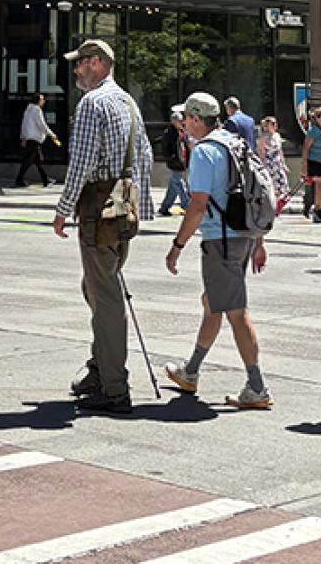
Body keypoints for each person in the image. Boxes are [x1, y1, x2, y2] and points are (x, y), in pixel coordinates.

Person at [54, 39, 154, 416]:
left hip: (100, 209)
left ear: (96, 63)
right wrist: (140, 209)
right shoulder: (128, 102)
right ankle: (101, 368)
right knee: (96, 287)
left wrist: (63, 209)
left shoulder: (92, 104)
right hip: (124, 208)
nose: (76, 70)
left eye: (80, 64)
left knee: (106, 296)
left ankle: (114, 386)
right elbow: (143, 156)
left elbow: (79, 164)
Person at [162, 92, 271, 409]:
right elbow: (254, 191)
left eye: (186, 118)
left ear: (196, 118)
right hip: (243, 235)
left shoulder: (204, 152)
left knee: (236, 312)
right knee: (212, 303)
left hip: (220, 240)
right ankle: (191, 371)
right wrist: (259, 241)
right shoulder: (234, 142)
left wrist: (176, 247)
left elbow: (196, 205)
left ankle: (257, 386)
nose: (183, 124)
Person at [17, 92, 59, 188]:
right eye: (42, 99)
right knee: (29, 161)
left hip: (30, 139)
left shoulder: (28, 110)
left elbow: (24, 124)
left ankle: (46, 180)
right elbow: (42, 125)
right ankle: (19, 179)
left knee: (38, 161)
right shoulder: (36, 110)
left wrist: (23, 137)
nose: (44, 101)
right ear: (38, 101)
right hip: (34, 139)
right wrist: (52, 134)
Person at [255, 115, 292, 216]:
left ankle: (277, 206)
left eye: (275, 123)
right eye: (273, 124)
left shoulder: (277, 136)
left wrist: (284, 164)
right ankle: (273, 209)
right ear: (267, 126)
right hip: (269, 165)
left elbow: (280, 151)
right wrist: (261, 167)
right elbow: (261, 153)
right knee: (272, 188)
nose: (275, 126)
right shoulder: (262, 138)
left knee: (284, 188)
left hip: (277, 165)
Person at [158, 106, 191, 217]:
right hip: (175, 162)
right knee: (180, 184)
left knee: (173, 187)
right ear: (174, 121)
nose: (182, 122)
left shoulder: (182, 131)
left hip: (182, 162)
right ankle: (187, 205)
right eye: (179, 121)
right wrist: (170, 157)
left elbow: (185, 145)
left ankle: (165, 207)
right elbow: (165, 147)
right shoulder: (169, 133)